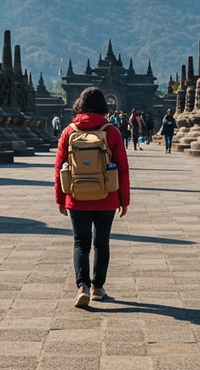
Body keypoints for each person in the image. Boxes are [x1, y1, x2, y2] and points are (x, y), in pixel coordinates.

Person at [55, 87, 130, 308]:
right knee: (101, 242)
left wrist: (60, 198)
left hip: (77, 196)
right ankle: (98, 287)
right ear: (104, 107)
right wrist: (124, 200)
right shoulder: (112, 131)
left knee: (81, 243)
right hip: (107, 196)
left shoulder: (69, 131)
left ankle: (82, 287)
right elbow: (123, 169)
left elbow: (59, 167)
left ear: (80, 104)